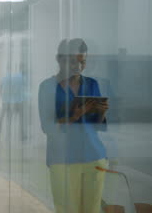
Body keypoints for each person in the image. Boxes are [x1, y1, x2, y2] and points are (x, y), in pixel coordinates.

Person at [38, 38, 110, 213]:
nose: (78, 66)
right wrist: (75, 116)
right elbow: (47, 128)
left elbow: (98, 126)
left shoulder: (92, 84)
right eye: (72, 61)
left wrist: (102, 112)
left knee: (92, 209)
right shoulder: (48, 87)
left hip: (94, 156)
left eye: (82, 61)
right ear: (59, 59)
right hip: (62, 159)